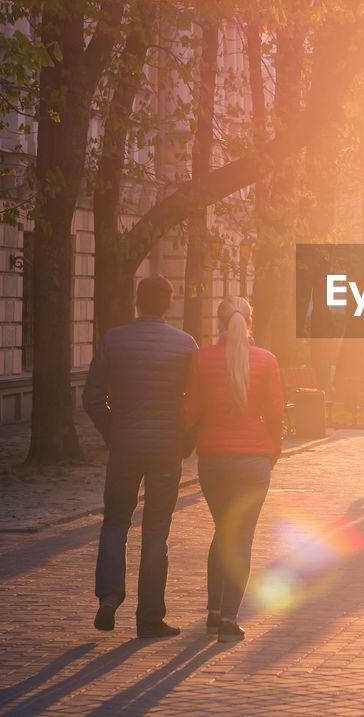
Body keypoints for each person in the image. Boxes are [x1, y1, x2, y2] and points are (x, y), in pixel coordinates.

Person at [83, 274, 198, 638]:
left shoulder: (113, 340)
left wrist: (111, 430)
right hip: (166, 446)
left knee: (115, 521)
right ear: (169, 302)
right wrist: (185, 440)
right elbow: (195, 401)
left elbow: (91, 396)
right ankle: (149, 617)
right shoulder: (185, 345)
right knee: (156, 530)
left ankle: (108, 597)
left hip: (125, 445)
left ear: (137, 301)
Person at [180, 297, 283, 644]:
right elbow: (276, 415)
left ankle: (212, 613)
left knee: (223, 532)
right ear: (250, 322)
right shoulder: (266, 360)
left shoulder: (202, 358)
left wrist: (180, 438)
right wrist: (272, 453)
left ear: (219, 320)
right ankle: (228, 619)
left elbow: (190, 410)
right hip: (253, 459)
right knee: (241, 539)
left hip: (214, 458)